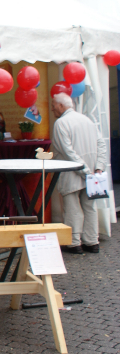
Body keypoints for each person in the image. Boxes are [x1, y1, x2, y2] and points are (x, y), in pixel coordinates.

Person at [51, 93, 107, 254]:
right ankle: (92, 241)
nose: (53, 109)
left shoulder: (61, 123)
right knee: (90, 207)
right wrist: (98, 168)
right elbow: (101, 144)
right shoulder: (87, 120)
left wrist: (84, 171)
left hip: (72, 173)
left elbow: (67, 151)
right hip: (91, 172)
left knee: (72, 208)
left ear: (61, 105)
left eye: (54, 105)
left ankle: (74, 242)